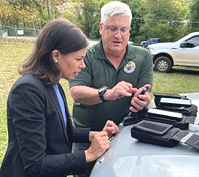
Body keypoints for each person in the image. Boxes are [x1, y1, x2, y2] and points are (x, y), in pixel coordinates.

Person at [0, 18, 119, 177]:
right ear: (56, 55)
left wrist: (95, 135)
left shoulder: (53, 83)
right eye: (78, 58)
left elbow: (60, 130)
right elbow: (36, 165)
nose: (82, 65)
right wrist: (88, 154)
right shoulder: (27, 90)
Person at [69, 1, 153, 176]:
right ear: (101, 28)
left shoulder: (143, 56)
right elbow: (76, 92)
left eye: (123, 30)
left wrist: (144, 100)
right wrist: (107, 93)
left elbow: (146, 92)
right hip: (88, 134)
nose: (118, 35)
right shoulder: (88, 55)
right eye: (112, 29)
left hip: (125, 135)